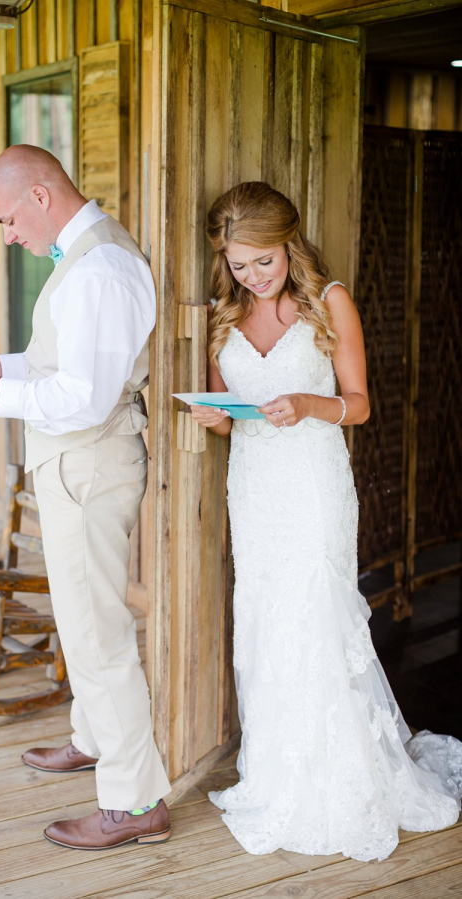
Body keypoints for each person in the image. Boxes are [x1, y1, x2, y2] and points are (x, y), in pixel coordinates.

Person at [190, 181, 461, 862]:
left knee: (315, 615)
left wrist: (312, 404)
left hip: (312, 484)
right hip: (253, 486)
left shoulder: (329, 300)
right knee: (264, 616)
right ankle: (275, 772)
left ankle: (340, 780)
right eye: (238, 264)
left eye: (264, 262)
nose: (251, 276)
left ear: (290, 242)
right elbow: (231, 407)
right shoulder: (224, 313)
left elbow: (361, 404)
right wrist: (217, 417)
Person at [0, 144, 171, 850]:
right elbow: (65, 363)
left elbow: (83, 396)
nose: (9, 235)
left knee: (100, 634)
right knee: (80, 618)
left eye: (9, 219)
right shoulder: (85, 258)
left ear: (40, 196)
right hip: (79, 461)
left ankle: (135, 804)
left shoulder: (100, 266)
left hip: (89, 463)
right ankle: (95, 738)